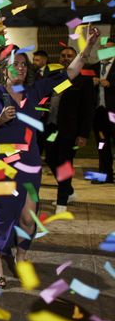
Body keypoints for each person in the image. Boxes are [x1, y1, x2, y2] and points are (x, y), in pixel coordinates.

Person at [0, 29, 99, 289]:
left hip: (30, 162)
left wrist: (87, 46)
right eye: (15, 64)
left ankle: (21, 257)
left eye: (23, 64)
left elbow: (71, 73)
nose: (20, 68)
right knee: (0, 215)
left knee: (28, 217)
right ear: (4, 68)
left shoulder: (36, 91)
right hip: (0, 164)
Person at [46, 46, 95, 213]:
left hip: (70, 130)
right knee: (51, 160)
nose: (66, 58)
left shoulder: (84, 80)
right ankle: (69, 191)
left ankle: (62, 202)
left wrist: (83, 134)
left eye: (70, 56)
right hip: (51, 127)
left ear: (76, 59)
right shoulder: (54, 76)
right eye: (63, 55)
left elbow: (88, 110)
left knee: (64, 163)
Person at [92, 37, 115, 184]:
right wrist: (90, 82)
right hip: (98, 113)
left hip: (113, 113)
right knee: (102, 143)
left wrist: (111, 84)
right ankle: (105, 174)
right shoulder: (92, 68)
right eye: (103, 48)